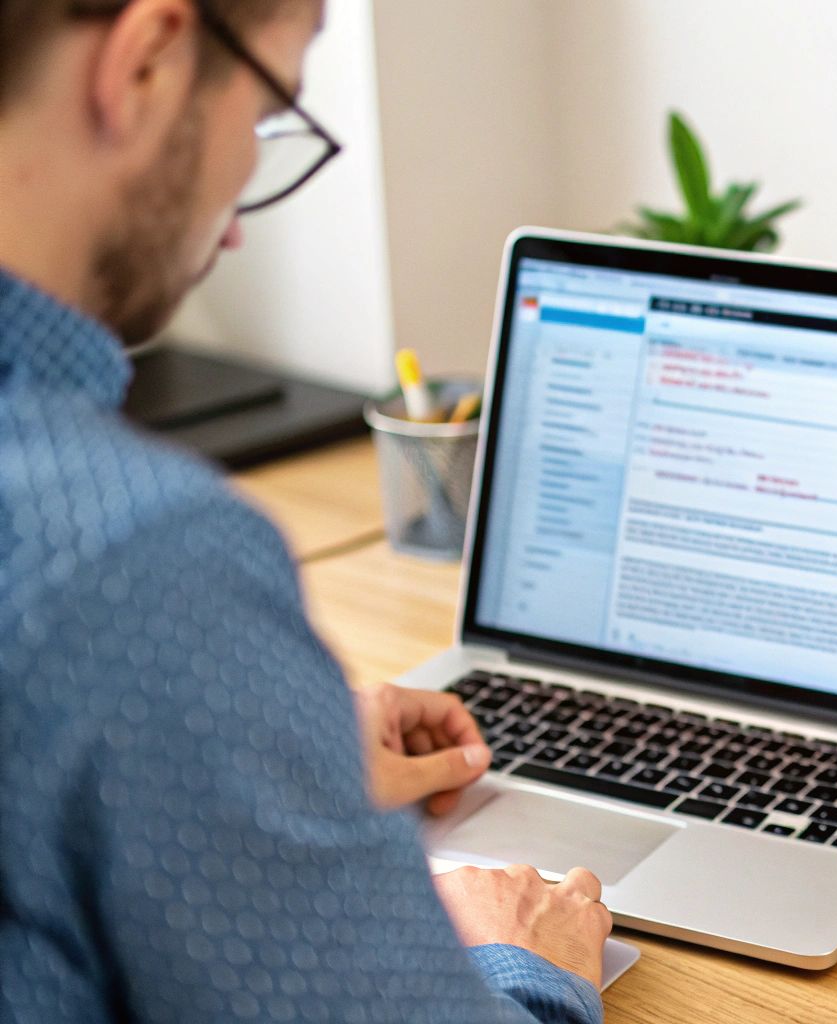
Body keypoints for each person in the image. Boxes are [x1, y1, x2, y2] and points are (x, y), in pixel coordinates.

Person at [0, 2, 614, 1022]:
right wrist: (527, 964)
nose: (239, 223)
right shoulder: (135, 559)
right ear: (147, 60)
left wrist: (253, 762)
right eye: (266, 116)